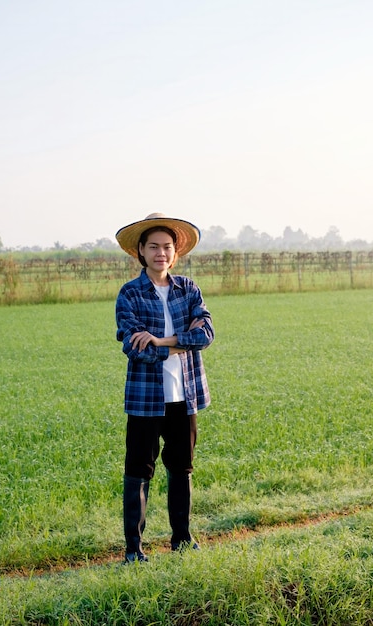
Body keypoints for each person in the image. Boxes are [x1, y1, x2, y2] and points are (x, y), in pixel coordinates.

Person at [115, 212, 214, 563]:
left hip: (184, 395)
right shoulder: (130, 294)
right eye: (153, 246)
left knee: (182, 467)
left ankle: (182, 539)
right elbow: (132, 345)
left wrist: (160, 339)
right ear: (140, 251)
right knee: (138, 469)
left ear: (175, 252)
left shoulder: (188, 289)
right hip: (146, 398)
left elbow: (205, 334)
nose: (161, 252)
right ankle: (133, 550)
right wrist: (175, 345)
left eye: (167, 247)